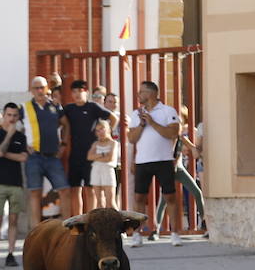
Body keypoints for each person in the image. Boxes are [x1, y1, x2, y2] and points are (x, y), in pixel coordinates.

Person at [127, 81, 184, 247]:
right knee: (139, 197)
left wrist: (153, 123)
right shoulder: (136, 114)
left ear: (151, 93)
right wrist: (142, 124)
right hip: (143, 161)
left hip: (164, 160)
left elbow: (173, 133)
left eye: (141, 92)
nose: (138, 95)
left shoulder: (168, 111)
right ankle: (137, 234)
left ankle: (175, 233)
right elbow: (131, 138)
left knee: (170, 196)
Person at [61, 79, 118, 217]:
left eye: (80, 91)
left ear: (86, 92)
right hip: (75, 155)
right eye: (74, 92)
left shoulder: (93, 107)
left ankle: (92, 219)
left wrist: (105, 136)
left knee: (90, 189)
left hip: (92, 155)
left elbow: (113, 118)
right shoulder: (69, 109)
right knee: (75, 189)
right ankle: (78, 221)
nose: (77, 95)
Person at [0, 102, 29, 267]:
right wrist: (8, 136)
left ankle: (10, 253)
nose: (12, 118)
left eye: (15, 116)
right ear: (4, 115)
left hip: (15, 183)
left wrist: (2, 154)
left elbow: (23, 157)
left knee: (14, 220)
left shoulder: (21, 137)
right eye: (9, 115)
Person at [22, 76, 70, 220]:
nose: (39, 90)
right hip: (34, 157)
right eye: (36, 88)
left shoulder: (55, 106)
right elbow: (16, 128)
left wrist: (64, 145)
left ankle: (66, 228)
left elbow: (66, 124)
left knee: (64, 190)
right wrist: (24, 146)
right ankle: (37, 231)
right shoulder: (24, 108)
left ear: (47, 89)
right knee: (35, 193)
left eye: (42, 87)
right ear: (31, 90)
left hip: (52, 157)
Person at [153, 106, 205, 235]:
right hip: (167, 170)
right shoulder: (165, 138)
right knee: (163, 200)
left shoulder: (182, 138)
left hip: (179, 169)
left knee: (197, 193)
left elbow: (194, 151)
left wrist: (193, 148)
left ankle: (205, 222)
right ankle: (156, 229)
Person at [86, 119, 119, 212]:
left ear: (108, 129)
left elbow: (110, 158)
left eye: (102, 129)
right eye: (97, 130)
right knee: (99, 202)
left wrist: (97, 157)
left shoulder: (113, 143)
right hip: (96, 170)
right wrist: (103, 154)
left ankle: (119, 223)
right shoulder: (95, 144)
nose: (100, 132)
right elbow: (89, 157)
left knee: (110, 202)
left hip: (108, 170)